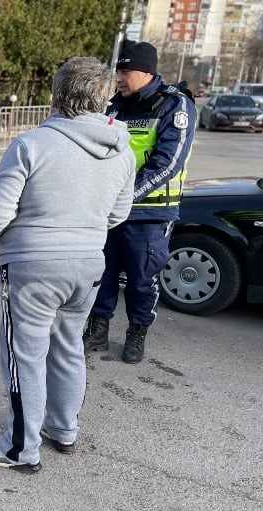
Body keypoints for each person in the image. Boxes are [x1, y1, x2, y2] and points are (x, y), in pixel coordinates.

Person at [0, 57, 136, 474]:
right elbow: (118, 215)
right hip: (88, 265)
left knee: (24, 355)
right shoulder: (121, 149)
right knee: (68, 349)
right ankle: (63, 430)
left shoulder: (31, 145)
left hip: (31, 266)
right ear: (102, 97)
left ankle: (20, 450)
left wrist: (7, 238)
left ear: (57, 95)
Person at [83, 40, 197, 363]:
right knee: (103, 273)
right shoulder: (114, 107)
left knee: (142, 279)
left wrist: (124, 197)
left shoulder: (174, 106)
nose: (118, 77)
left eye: (125, 70)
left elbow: (167, 162)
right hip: (111, 211)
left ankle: (137, 332)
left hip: (150, 213)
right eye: (117, 70)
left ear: (147, 71)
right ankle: (99, 329)